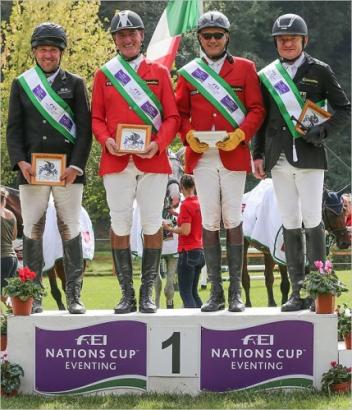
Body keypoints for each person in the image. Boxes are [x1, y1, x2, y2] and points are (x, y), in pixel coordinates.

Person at [252, 14, 351, 311]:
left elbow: (344, 109)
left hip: (309, 155)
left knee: (312, 219)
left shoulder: (319, 70)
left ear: (303, 41)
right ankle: (297, 291)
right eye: (282, 40)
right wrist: (257, 154)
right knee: (290, 221)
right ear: (276, 43)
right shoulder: (267, 75)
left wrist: (322, 131)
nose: (287, 43)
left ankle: (319, 286)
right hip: (278, 156)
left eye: (293, 39)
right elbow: (262, 118)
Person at [175, 11, 265, 312]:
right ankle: (215, 291)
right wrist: (187, 136)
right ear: (199, 38)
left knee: (232, 218)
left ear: (227, 37)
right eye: (206, 35)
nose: (212, 40)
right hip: (202, 156)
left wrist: (241, 135)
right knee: (210, 219)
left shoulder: (245, 68)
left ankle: (236, 292)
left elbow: (256, 109)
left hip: (233, 152)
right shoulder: (189, 72)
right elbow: (180, 113)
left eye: (217, 35)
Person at [92, 10, 180, 314]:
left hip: (152, 160)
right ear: (115, 40)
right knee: (120, 224)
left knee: (152, 223)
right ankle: (126, 293)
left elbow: (172, 117)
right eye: (121, 35)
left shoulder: (159, 72)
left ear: (141, 36)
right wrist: (107, 141)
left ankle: (147, 294)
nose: (127, 39)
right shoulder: (104, 74)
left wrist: (158, 144)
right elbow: (96, 118)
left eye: (132, 34)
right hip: (116, 161)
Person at [6, 22, 92, 314]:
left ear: (61, 53)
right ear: (34, 52)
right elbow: (13, 129)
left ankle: (74, 295)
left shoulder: (76, 84)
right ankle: (34, 294)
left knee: (70, 228)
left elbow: (84, 130)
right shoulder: (22, 83)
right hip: (32, 171)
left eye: (53, 50)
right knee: (32, 229)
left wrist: (77, 166)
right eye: (42, 50)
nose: (47, 55)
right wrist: (20, 161)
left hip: (68, 171)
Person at [163, 175, 204, 308]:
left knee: (185, 294)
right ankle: (203, 321)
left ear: (181, 188)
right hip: (199, 252)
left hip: (187, 252)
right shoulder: (199, 202)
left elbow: (185, 230)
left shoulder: (185, 205)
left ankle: (192, 324)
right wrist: (174, 213)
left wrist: (169, 228)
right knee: (194, 293)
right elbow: (191, 218)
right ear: (194, 186)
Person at [1, 187, 18, 308]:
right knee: (9, 291)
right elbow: (14, 236)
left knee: (3, 295)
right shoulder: (11, 215)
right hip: (12, 259)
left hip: (1, 258)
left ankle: (12, 310)